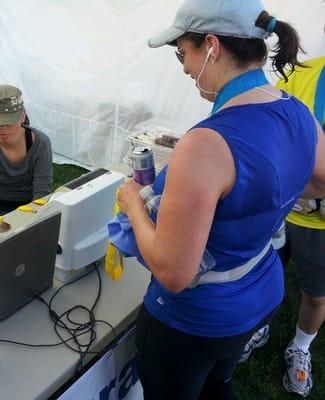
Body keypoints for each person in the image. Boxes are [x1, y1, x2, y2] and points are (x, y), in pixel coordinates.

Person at [115, 0, 325, 399]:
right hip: (259, 291)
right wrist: (262, 201)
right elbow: (320, 181)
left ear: (211, 45)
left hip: (196, 318)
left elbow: (174, 273)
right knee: (219, 383)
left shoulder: (205, 145)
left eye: (183, 53)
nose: (184, 68)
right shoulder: (296, 110)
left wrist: (132, 206)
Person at [240, 56, 325, 397]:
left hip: (319, 227)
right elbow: (268, 129)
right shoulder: (302, 73)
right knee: (259, 277)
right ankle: (258, 328)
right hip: (279, 210)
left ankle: (301, 346)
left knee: (316, 294)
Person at [0, 85, 53, 223]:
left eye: (8, 122)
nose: (2, 128)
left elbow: (41, 194)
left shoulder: (41, 143)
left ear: (22, 117)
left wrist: (29, 225)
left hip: (31, 206)